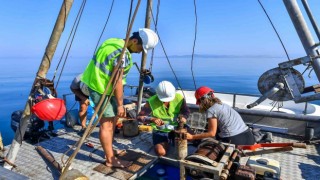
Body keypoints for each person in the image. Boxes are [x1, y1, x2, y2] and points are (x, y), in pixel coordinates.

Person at [81, 28, 159, 168]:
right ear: (134, 41)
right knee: (107, 125)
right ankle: (110, 160)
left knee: (113, 120)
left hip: (97, 84)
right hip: (101, 89)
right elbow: (117, 80)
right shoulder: (122, 54)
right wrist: (120, 104)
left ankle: (109, 151)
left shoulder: (113, 41)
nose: (140, 52)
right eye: (140, 48)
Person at [185, 86, 255, 145]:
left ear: (202, 101)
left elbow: (212, 133)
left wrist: (192, 137)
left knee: (207, 143)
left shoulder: (211, 110)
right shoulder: (223, 105)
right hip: (249, 138)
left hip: (236, 140)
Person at [137, 81, 190, 156]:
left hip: (178, 129)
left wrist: (184, 118)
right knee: (161, 152)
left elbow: (186, 111)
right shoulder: (151, 102)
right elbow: (139, 117)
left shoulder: (179, 98)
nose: (167, 100)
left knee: (194, 141)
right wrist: (152, 119)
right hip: (160, 132)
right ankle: (166, 143)